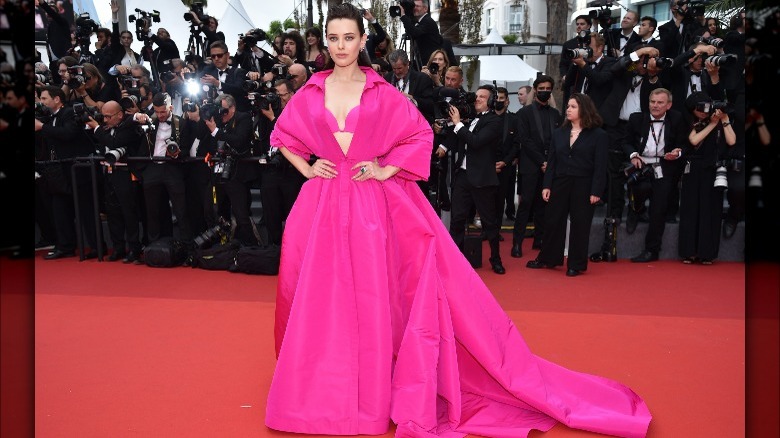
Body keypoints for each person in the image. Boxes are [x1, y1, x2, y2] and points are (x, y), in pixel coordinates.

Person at [265, 4, 651, 437]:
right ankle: (322, 391)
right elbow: (283, 135)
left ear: (361, 42)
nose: (340, 47)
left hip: (372, 208)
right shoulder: (311, 91)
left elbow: (418, 134)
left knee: (374, 298)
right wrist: (308, 167)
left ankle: (371, 393)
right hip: (322, 206)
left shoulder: (382, 92)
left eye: (348, 38)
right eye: (333, 38)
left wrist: (383, 169)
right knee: (324, 298)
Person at [527, 93, 607, 277]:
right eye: (568, 106)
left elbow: (601, 166)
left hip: (584, 184)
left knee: (580, 224)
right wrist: (547, 185)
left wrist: (596, 190)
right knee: (553, 221)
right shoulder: (559, 133)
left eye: (573, 106)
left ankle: (576, 264)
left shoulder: (598, 135)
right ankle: (548, 258)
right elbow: (552, 161)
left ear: (584, 109)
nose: (568, 109)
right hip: (560, 182)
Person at [623, 89, 687, 263]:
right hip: (641, 164)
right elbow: (626, 142)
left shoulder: (677, 118)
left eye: (660, 102)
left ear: (669, 105)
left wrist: (677, 152)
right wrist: (634, 155)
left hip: (664, 166)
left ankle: (652, 250)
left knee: (658, 209)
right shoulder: (637, 119)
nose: (655, 106)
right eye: (652, 102)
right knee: (638, 188)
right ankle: (636, 210)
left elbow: (684, 144)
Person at [679, 92, 735, 264]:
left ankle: (707, 253)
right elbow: (694, 140)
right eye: (698, 109)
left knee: (711, 211)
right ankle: (689, 251)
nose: (702, 112)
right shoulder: (688, 120)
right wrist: (711, 124)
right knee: (691, 209)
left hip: (713, 170)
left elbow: (731, 141)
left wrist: (723, 119)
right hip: (693, 169)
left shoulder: (718, 118)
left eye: (705, 108)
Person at [511, 75, 561, 258]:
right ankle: (517, 244)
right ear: (535, 89)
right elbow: (525, 140)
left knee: (543, 205)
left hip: (549, 166)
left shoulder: (556, 114)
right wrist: (542, 161)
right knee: (525, 205)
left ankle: (539, 240)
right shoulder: (524, 113)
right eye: (542, 88)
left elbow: (558, 140)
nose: (545, 91)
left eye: (548, 88)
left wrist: (550, 163)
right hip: (531, 165)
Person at [399, 0, 443, 70]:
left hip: (430, 63)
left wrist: (403, 16)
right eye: (414, 6)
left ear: (425, 9)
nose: (415, 8)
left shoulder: (427, 21)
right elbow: (411, 31)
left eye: (418, 6)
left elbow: (414, 32)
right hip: (424, 62)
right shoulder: (419, 22)